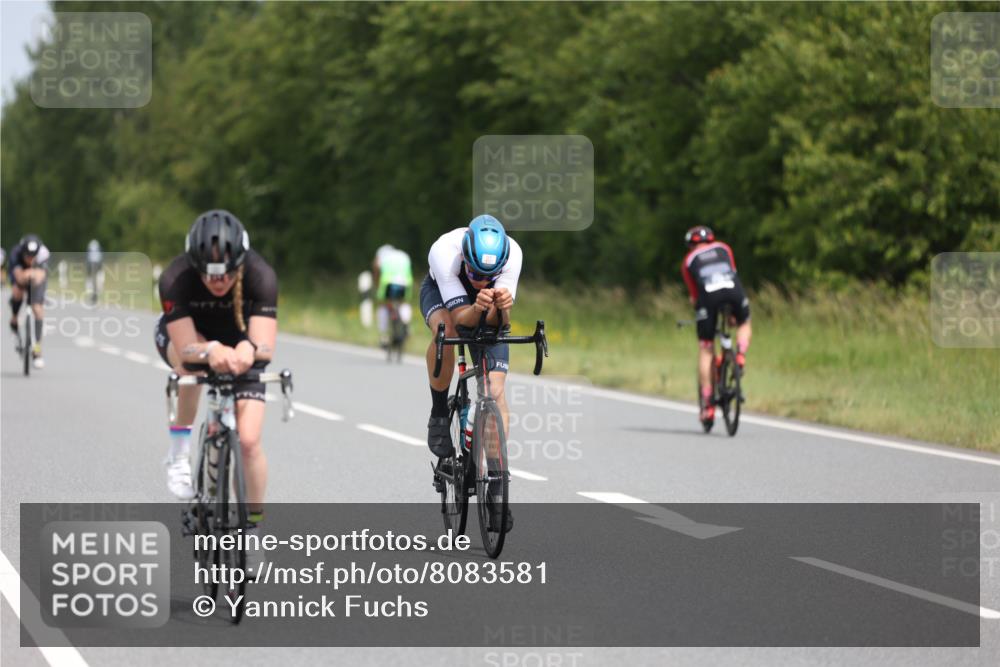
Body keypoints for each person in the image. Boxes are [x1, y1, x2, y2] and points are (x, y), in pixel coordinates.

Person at [155, 210, 277, 557]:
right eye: (208, 276)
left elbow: (265, 345)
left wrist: (247, 349)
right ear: (194, 265)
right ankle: (179, 453)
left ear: (241, 263)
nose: (218, 283)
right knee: (189, 368)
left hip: (240, 340)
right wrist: (210, 349)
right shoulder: (175, 279)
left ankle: (253, 527)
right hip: (191, 339)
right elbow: (185, 346)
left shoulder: (261, 275)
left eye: (226, 275)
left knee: (250, 441)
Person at [421, 215, 522, 531]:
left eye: (487, 276)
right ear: (465, 257)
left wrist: (501, 308)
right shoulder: (445, 252)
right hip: (442, 294)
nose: (480, 280)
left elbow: (499, 325)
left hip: (485, 306)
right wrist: (478, 307)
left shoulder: (513, 255)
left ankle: (495, 482)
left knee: (494, 390)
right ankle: (439, 413)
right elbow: (462, 320)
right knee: (446, 330)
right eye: (475, 272)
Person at [680, 226, 752, 423]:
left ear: (691, 245)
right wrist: (730, 315)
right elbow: (732, 273)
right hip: (733, 291)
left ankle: (708, 405)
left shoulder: (688, 261)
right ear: (711, 239)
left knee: (706, 348)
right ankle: (740, 356)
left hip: (708, 298)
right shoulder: (724, 248)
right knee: (744, 322)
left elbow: (695, 296)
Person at [7, 234, 50, 369]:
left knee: (37, 308)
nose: (30, 259)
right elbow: (18, 276)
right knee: (17, 292)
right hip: (21, 276)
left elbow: (41, 275)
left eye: (33, 257)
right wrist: (27, 275)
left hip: (37, 278)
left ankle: (37, 350)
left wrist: (34, 275)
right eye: (28, 257)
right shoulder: (15, 253)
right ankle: (14, 317)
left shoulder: (44, 254)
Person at [373, 244, 414, 347]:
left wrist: (377, 287)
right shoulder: (403, 255)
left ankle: (384, 337)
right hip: (405, 282)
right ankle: (406, 323)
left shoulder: (382, 257)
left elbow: (376, 270)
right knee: (404, 302)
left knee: (383, 305)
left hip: (388, 283)